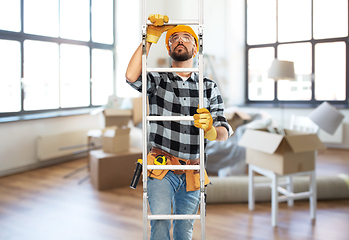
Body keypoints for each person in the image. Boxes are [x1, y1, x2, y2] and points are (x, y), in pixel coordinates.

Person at [125, 14, 233, 240]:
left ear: (196, 48)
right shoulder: (159, 80)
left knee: (185, 231)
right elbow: (131, 76)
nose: (180, 41)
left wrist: (211, 130)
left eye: (187, 37)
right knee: (161, 224)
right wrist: (149, 38)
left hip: (193, 171)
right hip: (162, 169)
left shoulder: (208, 87)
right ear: (169, 47)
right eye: (174, 38)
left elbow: (223, 132)